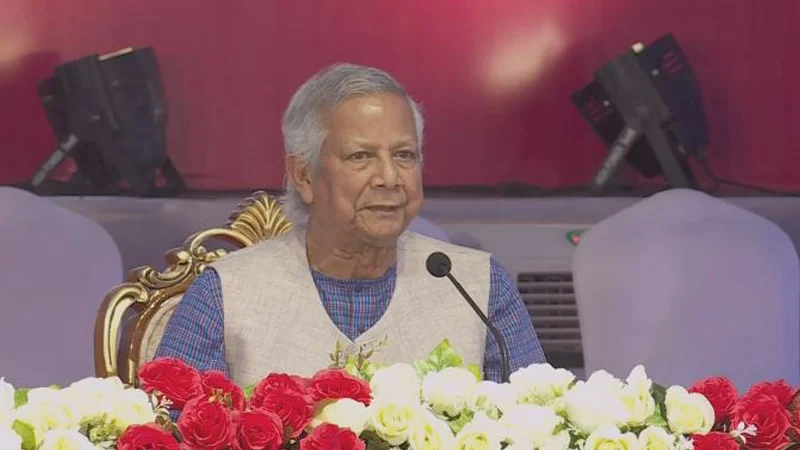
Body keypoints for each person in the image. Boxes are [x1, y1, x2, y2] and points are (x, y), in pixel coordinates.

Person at [155, 63, 545, 385]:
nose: (390, 177)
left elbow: (540, 427)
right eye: (361, 156)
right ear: (304, 175)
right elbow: (164, 431)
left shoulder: (478, 287)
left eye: (404, 155)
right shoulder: (224, 294)